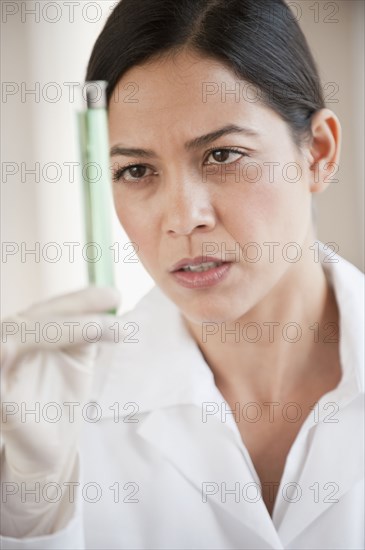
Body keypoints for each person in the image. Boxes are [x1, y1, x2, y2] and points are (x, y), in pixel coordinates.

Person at [1, 0, 364, 548]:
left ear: (318, 153)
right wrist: (31, 515)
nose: (181, 218)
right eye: (137, 170)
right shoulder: (67, 417)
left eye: (222, 155)